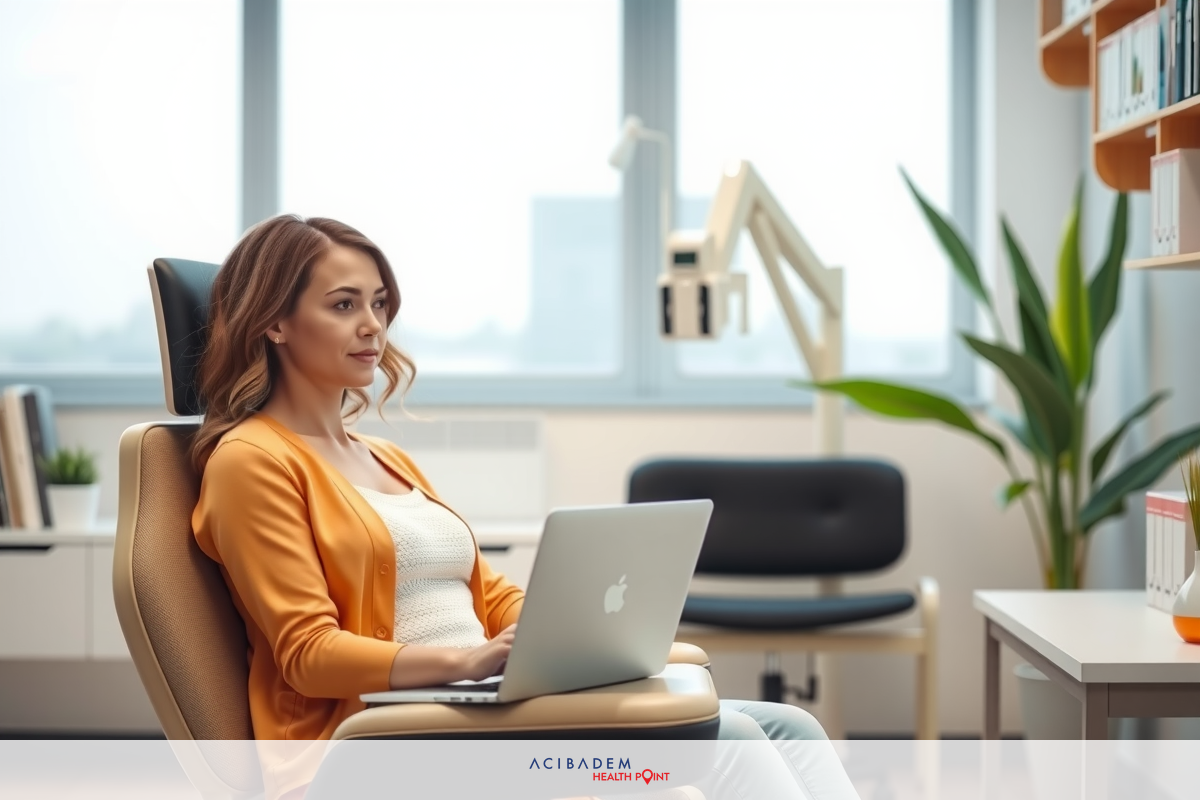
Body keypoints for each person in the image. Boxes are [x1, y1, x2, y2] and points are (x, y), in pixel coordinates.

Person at [190, 214, 861, 800]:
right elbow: (307, 653)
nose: (373, 326)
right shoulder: (250, 460)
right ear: (274, 322)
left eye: (378, 302)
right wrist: (469, 664)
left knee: (788, 725)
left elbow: (480, 592)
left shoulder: (380, 456)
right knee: (732, 741)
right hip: (386, 737)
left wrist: (562, 636)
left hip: (478, 708)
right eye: (343, 305)